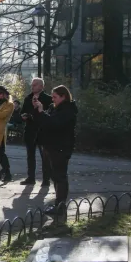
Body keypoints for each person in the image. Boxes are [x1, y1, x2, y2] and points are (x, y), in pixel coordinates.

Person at [33, 86, 78, 215]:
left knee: (60, 176)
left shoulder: (68, 110)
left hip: (60, 147)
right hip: (50, 145)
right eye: (52, 97)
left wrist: (42, 113)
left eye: (55, 97)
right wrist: (38, 109)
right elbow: (44, 121)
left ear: (63, 96)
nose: (52, 100)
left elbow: (55, 123)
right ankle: (59, 203)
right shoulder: (54, 107)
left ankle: (61, 205)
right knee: (54, 175)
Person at [19, 78, 53, 186]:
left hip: (43, 130)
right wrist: (24, 116)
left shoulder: (48, 99)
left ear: (41, 86)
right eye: (32, 85)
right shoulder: (28, 98)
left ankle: (46, 179)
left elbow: (50, 113)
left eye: (35, 85)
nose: (32, 87)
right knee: (30, 155)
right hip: (30, 130)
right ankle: (31, 178)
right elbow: (22, 111)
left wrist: (37, 110)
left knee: (45, 157)